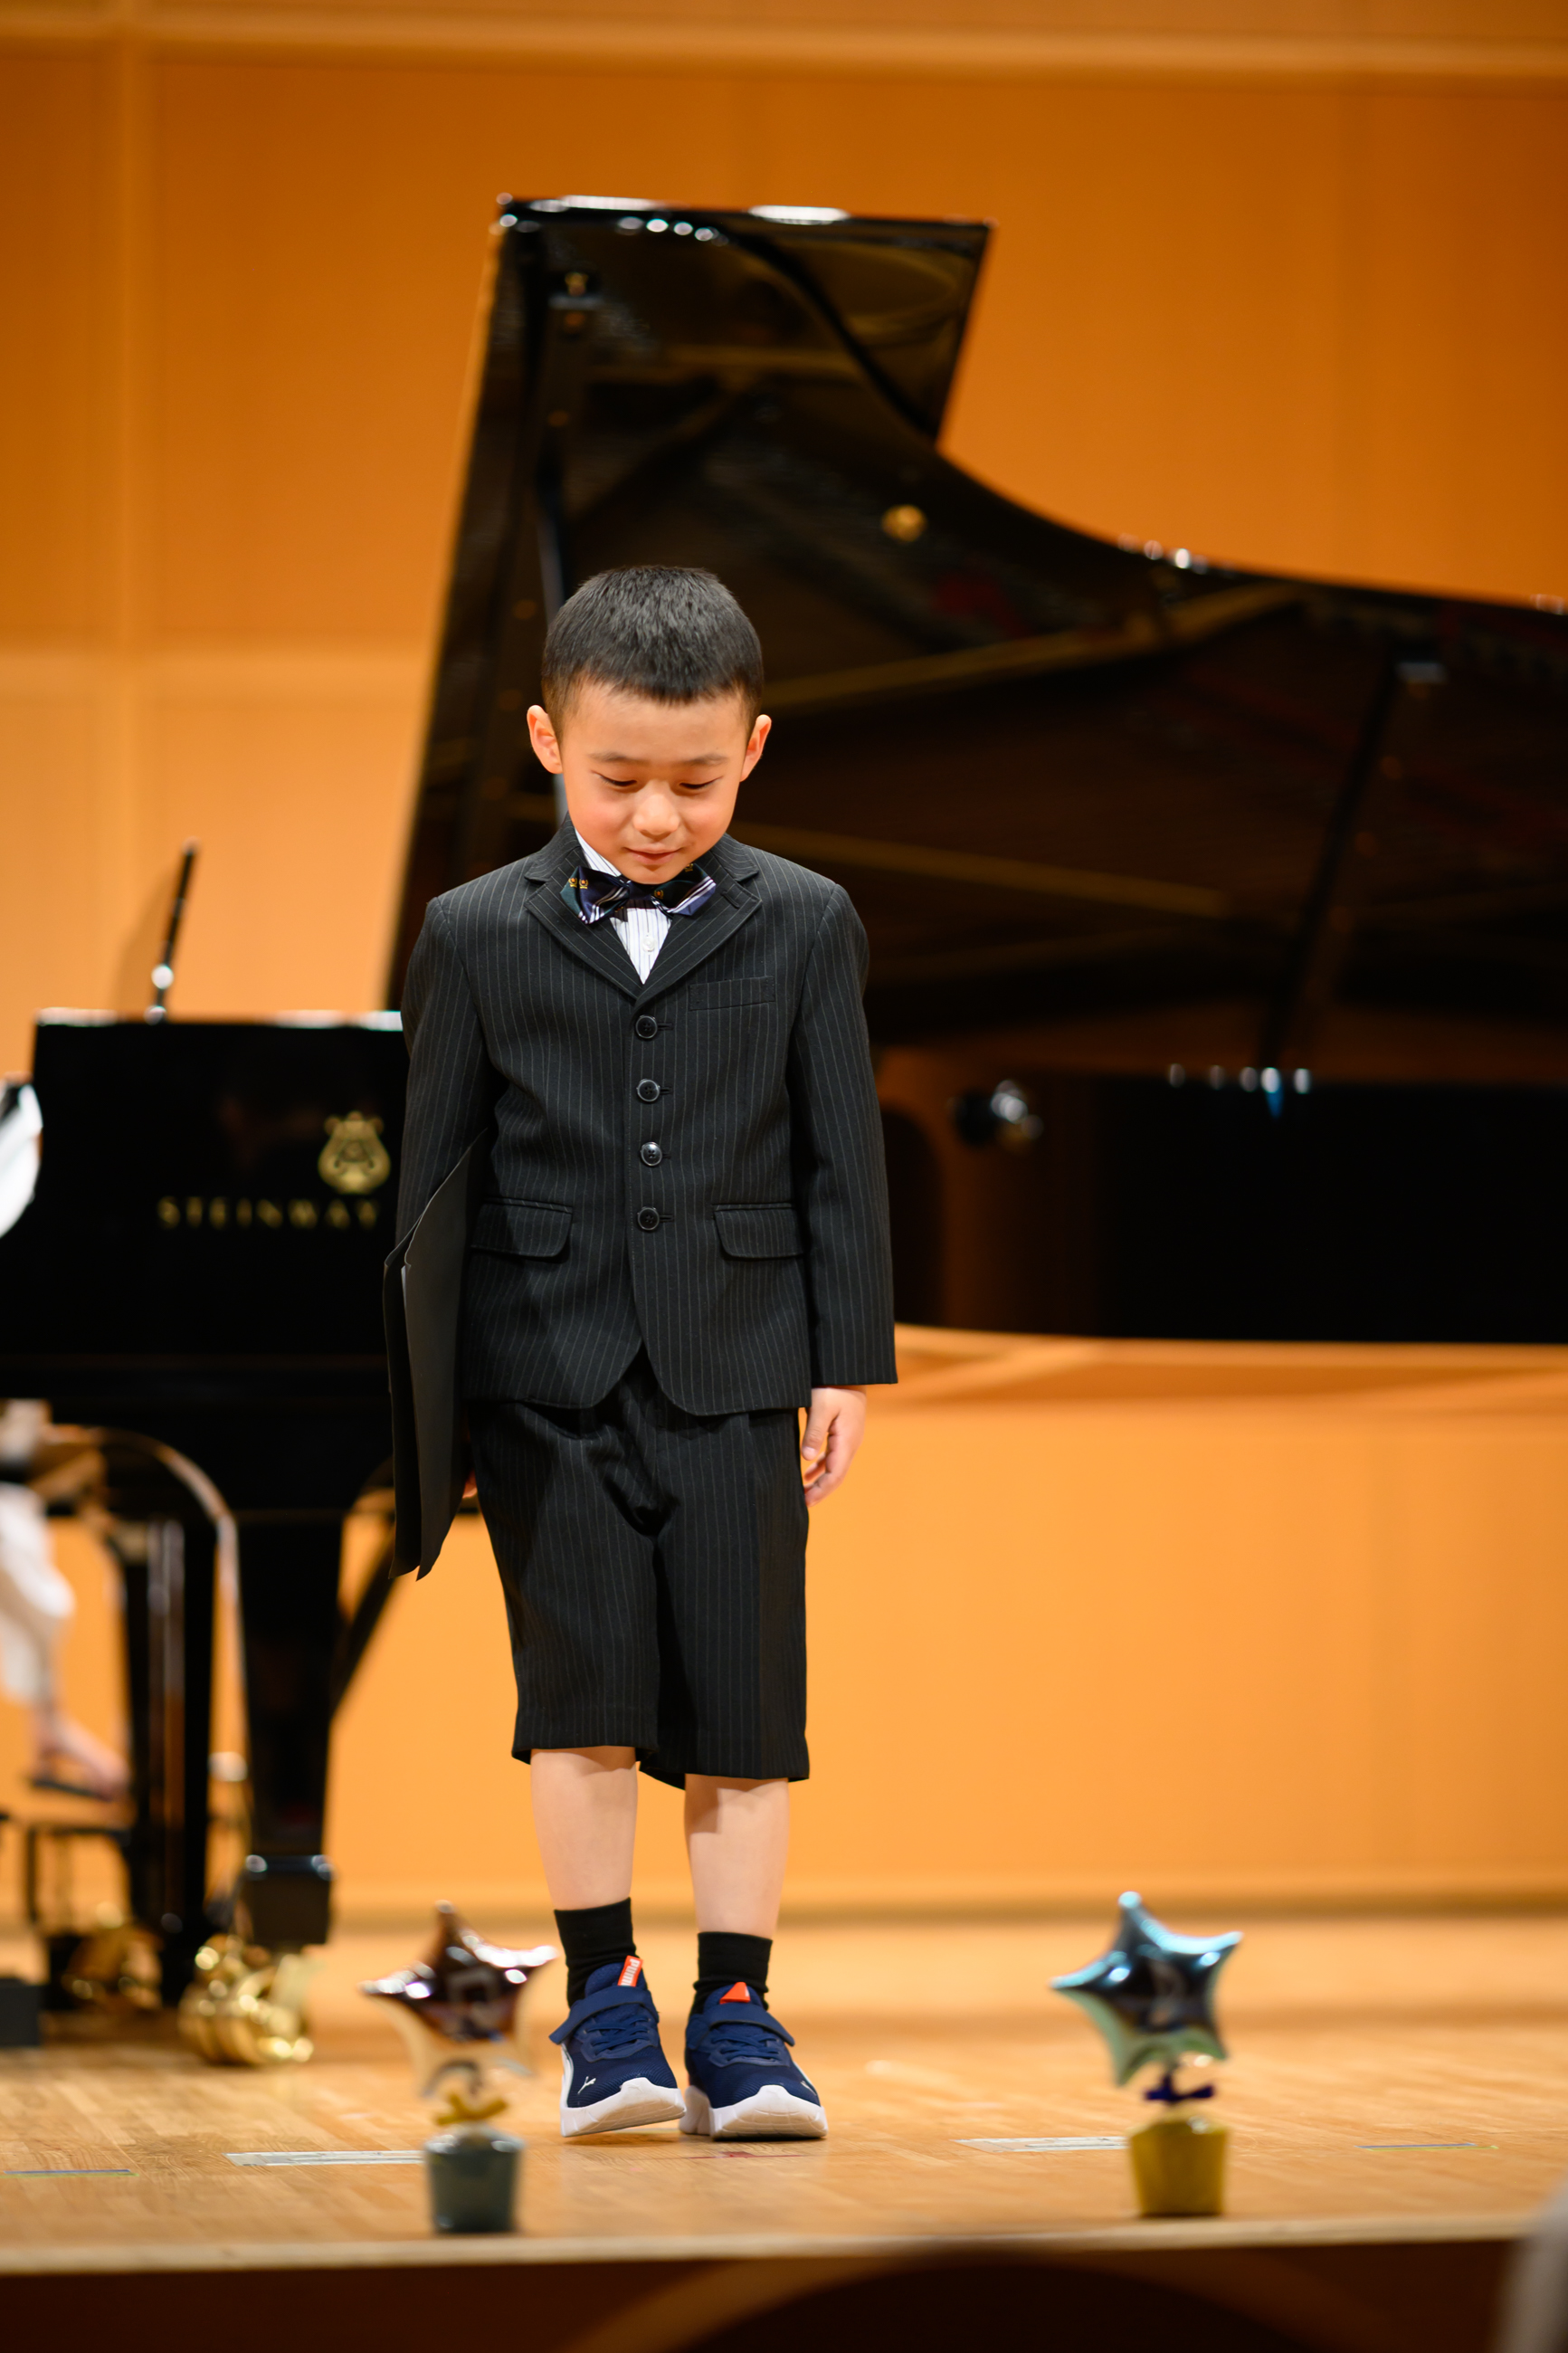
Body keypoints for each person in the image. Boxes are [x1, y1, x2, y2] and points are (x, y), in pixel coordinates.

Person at [396, 567, 896, 2140]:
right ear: (549, 741)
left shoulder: (807, 920)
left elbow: (840, 1160)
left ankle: (738, 2020)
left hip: (741, 1366)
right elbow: (431, 1191)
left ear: (754, 748)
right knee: (580, 1701)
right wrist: (435, 1415)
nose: (656, 815)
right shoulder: (472, 932)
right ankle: (605, 2011)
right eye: (619, 781)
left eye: (693, 779)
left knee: (747, 1717)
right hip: (539, 1377)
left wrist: (845, 1360)